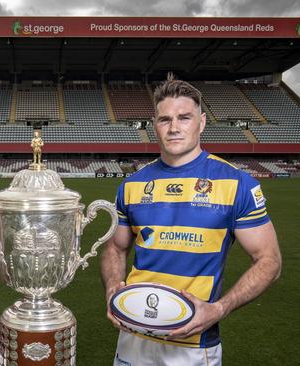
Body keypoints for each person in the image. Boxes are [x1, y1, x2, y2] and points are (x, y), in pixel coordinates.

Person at [100, 74, 282, 366]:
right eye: (164, 119)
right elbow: (115, 248)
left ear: (202, 121)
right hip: (133, 338)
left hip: (193, 346)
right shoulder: (132, 185)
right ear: (154, 125)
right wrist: (112, 289)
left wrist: (219, 309)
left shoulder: (237, 184)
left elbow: (269, 261)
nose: (173, 128)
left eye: (184, 118)